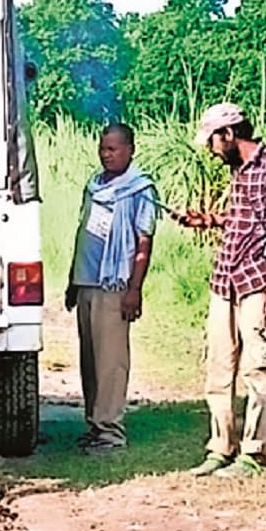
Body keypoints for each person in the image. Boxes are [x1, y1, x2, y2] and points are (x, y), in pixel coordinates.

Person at [176, 103, 266, 478]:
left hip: (257, 282)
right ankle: (221, 446)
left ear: (228, 134)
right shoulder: (237, 171)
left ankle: (254, 451)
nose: (212, 149)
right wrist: (209, 220)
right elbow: (244, 219)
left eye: (213, 140)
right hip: (224, 280)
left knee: (257, 368)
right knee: (219, 366)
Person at [65, 123, 158, 453]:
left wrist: (134, 289)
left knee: (111, 362)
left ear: (130, 150)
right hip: (87, 282)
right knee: (89, 359)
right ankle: (95, 423)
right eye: (103, 148)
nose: (106, 155)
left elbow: (144, 243)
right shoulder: (94, 186)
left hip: (114, 286)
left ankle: (111, 432)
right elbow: (83, 235)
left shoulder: (139, 190)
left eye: (113, 149)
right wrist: (72, 282)